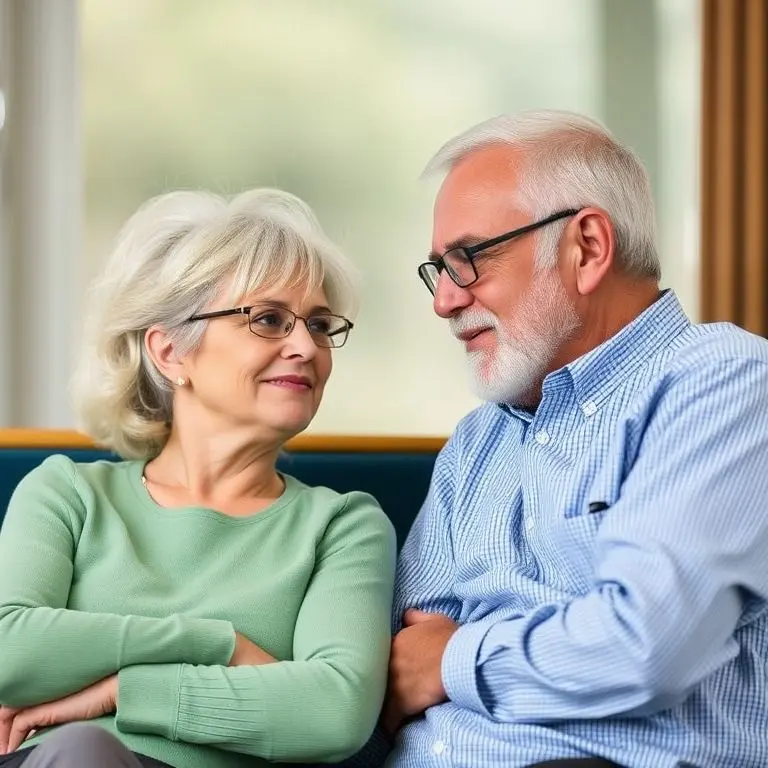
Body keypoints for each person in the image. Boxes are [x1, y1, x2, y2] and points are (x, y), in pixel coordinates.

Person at [359, 110, 768, 767]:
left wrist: (457, 656)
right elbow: (400, 666)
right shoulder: (477, 442)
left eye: (468, 259)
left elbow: (644, 647)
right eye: (437, 269)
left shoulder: (724, 382)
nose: (443, 301)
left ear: (587, 248)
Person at [0, 188, 397, 768]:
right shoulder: (66, 493)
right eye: (268, 319)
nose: (305, 346)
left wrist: (117, 692)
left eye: (318, 323)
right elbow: (8, 649)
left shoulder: (343, 526)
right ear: (170, 352)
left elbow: (334, 711)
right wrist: (218, 643)